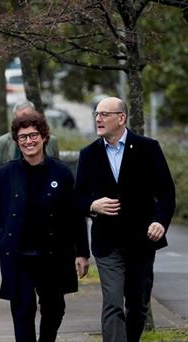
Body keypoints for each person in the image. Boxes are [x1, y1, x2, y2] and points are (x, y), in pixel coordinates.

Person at [75, 97, 175, 342]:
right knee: (112, 304)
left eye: (104, 114)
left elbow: (166, 192)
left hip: (141, 241)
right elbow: (77, 200)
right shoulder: (88, 154)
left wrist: (160, 222)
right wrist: (92, 205)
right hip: (107, 244)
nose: (98, 119)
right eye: (96, 114)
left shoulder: (148, 148)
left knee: (138, 305)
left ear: (121, 118)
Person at [0, 111, 90, 342]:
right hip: (19, 254)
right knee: (22, 309)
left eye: (33, 135)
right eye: (22, 137)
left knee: (54, 309)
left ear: (44, 137)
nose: (28, 141)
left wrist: (82, 252)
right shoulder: (7, 173)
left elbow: (76, 215)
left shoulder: (62, 172)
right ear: (16, 141)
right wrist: (0, 235)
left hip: (54, 254)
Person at [0, 100, 59, 183]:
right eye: (20, 118)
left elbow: (56, 171)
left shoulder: (51, 141)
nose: (25, 122)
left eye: (29, 117)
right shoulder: (1, 143)